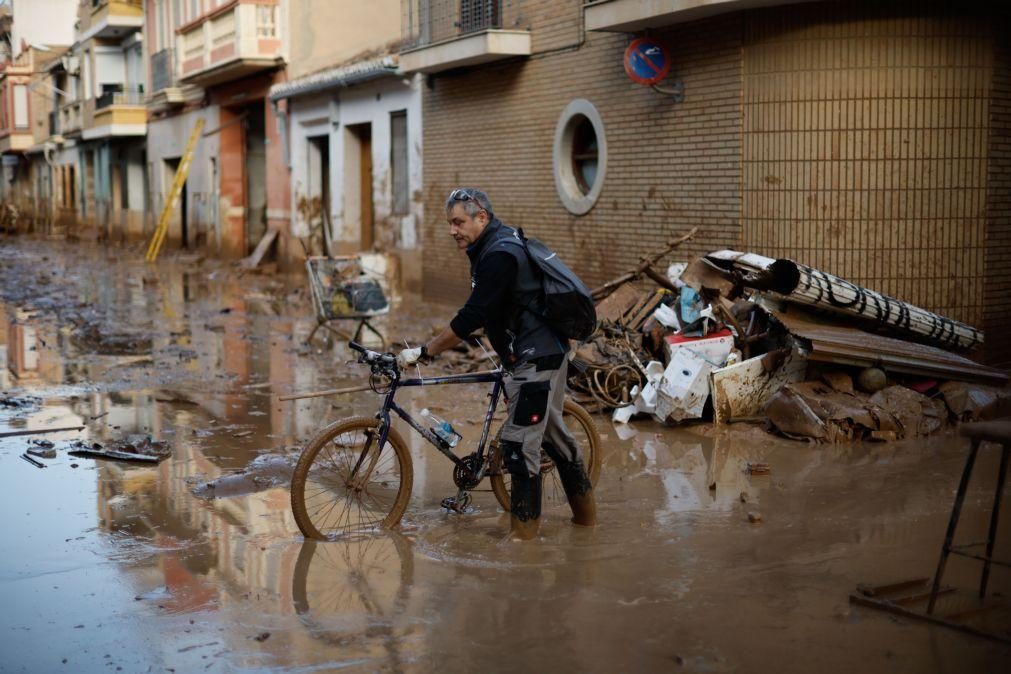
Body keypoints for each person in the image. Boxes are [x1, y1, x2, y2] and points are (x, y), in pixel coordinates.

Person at [397, 188, 597, 540]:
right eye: (449, 223)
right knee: (554, 437)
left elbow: (473, 314)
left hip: (537, 360)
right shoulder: (492, 247)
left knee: (519, 449)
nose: (452, 230)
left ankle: (523, 543)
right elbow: (493, 308)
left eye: (458, 222)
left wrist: (426, 351)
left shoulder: (500, 254)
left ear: (481, 217)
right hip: (535, 356)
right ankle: (586, 522)